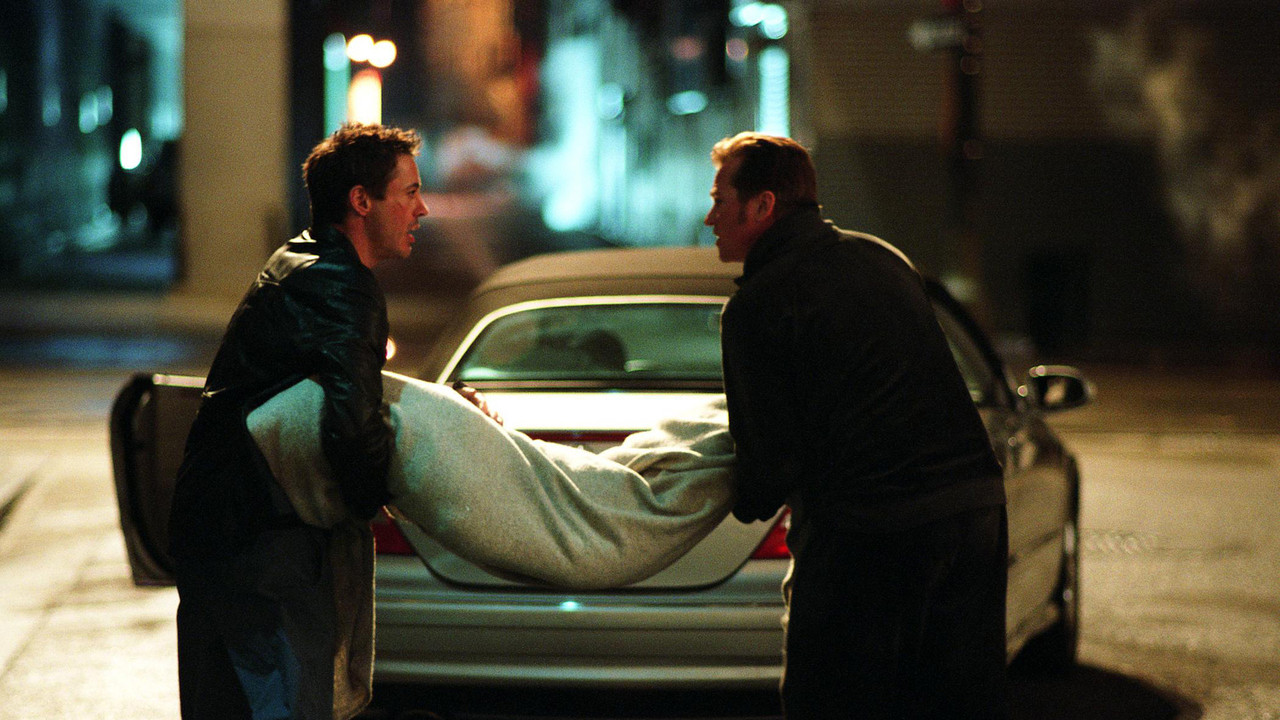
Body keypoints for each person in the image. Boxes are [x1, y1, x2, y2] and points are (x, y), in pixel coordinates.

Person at [705, 132, 1009, 719]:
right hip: (974, 512)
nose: (710, 217)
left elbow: (768, 470)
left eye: (721, 200)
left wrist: (716, 490)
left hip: (869, 533)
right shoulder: (883, 258)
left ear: (763, 205)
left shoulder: (758, 305)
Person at [168, 123, 429, 719]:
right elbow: (351, 428)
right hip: (266, 549)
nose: (423, 209)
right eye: (410, 192)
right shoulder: (343, 287)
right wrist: (387, 500)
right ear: (362, 201)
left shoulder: (297, 258)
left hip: (218, 533)